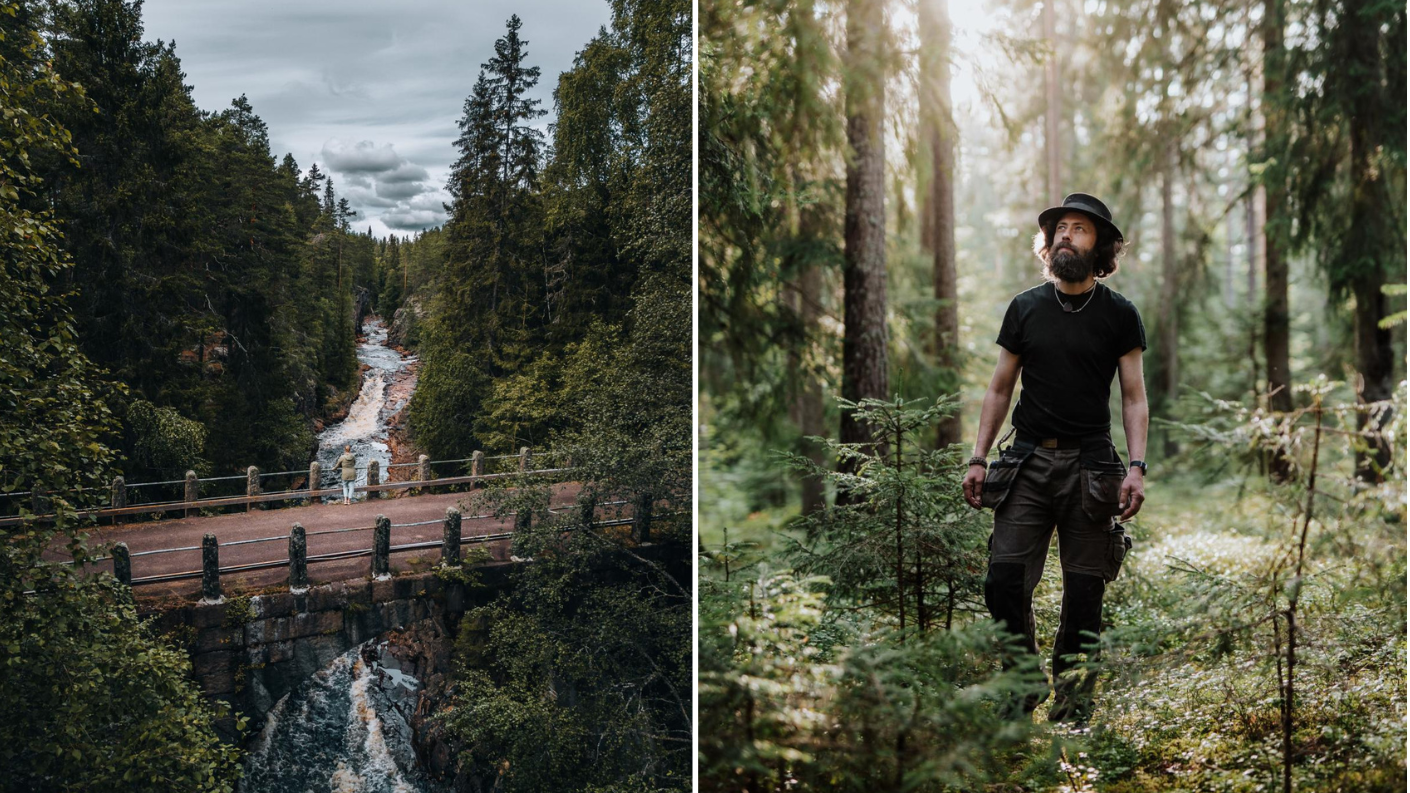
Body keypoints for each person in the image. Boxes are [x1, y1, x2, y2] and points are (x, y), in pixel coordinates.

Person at [960, 192, 1149, 723]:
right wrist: (978, 457)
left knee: (1086, 591)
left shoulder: (1119, 315)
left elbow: (1134, 397)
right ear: (1049, 242)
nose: (1067, 235)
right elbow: (999, 388)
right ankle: (1022, 685)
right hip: (1025, 462)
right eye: (1060, 227)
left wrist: (1136, 468)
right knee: (1003, 579)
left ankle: (1072, 707)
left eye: (1081, 229)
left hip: (1093, 467)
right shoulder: (1025, 307)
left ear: (1102, 247)